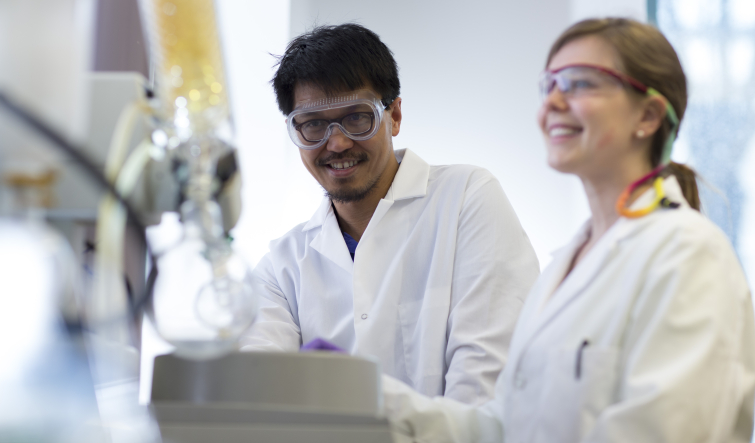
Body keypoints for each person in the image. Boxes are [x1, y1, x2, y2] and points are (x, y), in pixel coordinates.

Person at [382, 18, 755, 442]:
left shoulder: (688, 253)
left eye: (579, 84)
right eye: (549, 85)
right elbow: (503, 427)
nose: (553, 103)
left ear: (648, 114)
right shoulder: (566, 265)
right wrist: (371, 398)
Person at [240, 23, 540, 405]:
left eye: (356, 117)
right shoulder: (281, 270)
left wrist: (354, 401)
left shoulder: (466, 198)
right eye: (313, 124)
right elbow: (257, 398)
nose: (337, 142)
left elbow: (487, 393)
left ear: (393, 115)